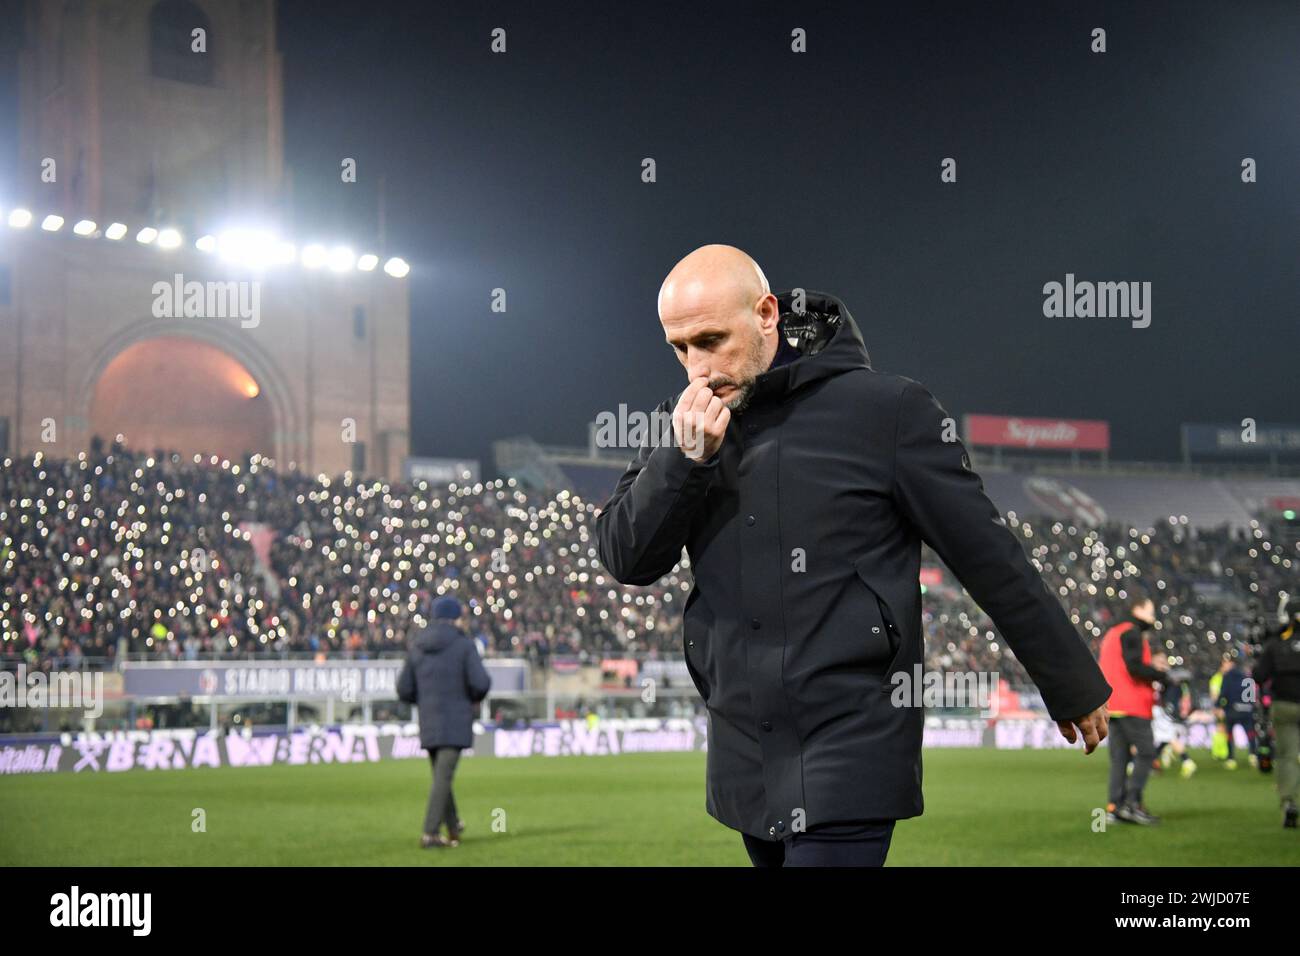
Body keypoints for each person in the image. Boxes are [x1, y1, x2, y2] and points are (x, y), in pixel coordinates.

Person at [596, 244, 1112, 867]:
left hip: (853, 736)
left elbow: (989, 556)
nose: (696, 368)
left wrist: (1070, 680)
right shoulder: (685, 423)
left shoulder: (888, 412)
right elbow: (627, 557)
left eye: (710, 340)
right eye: (679, 348)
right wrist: (686, 459)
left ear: (765, 314)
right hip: (742, 748)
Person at [396, 595, 492, 849]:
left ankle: (453, 827)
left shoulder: (418, 645)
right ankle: (430, 833)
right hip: (456, 720)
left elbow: (404, 688)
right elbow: (481, 683)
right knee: (443, 777)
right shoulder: (464, 645)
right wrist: (469, 699)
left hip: (428, 721)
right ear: (455, 617)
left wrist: (426, 701)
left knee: (442, 775)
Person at [1098, 591, 1166, 825]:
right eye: (1150, 611)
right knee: (1147, 752)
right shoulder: (1131, 632)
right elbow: (1134, 667)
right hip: (1132, 704)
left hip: (1112, 705)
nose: (1153, 617)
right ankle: (1133, 803)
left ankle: (1114, 806)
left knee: (1119, 759)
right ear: (1138, 611)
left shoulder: (1113, 633)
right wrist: (1163, 676)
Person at [1253, 596, 1300, 828]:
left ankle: (1289, 801)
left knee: (1287, 756)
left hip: (1285, 704)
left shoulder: (1276, 642)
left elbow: (1259, 676)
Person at [1150, 651, 1196, 779]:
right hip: (1157, 710)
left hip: (1161, 711)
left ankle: (1187, 762)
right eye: (1157, 660)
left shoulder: (1168, 676)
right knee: (1162, 738)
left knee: (1168, 737)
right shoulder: (1157, 675)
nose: (1159, 663)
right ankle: (1152, 762)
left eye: (1161, 660)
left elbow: (1184, 678)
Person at [1216, 653, 1257, 769]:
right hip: (1247, 709)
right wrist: (1251, 706)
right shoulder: (1246, 675)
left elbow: (1223, 693)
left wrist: (1218, 705)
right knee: (1250, 733)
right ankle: (1253, 756)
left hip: (1233, 709)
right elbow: (1252, 694)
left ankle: (1231, 759)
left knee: (1229, 734)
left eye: (1224, 663)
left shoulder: (1227, 676)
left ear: (1231, 664)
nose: (1222, 666)